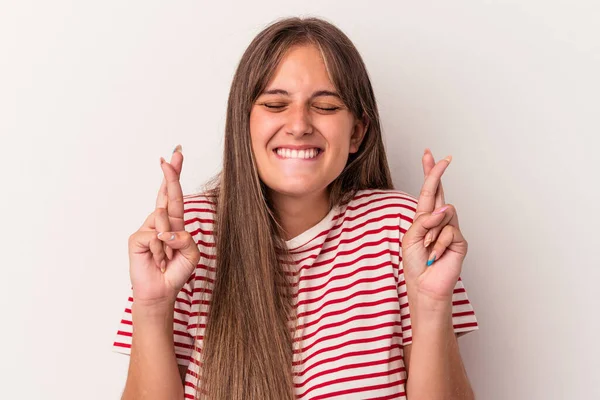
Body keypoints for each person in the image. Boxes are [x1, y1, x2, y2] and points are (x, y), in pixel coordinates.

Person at [113, 16, 479, 400]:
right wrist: (152, 306)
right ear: (244, 124)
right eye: (275, 104)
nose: (299, 124)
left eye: (324, 106)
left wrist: (432, 304)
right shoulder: (191, 235)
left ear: (356, 132)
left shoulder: (401, 231)